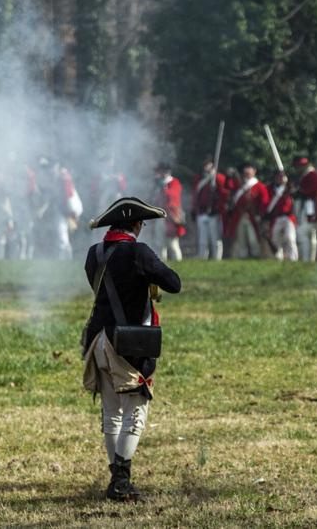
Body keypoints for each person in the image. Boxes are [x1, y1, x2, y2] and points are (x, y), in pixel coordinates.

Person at [82, 197, 182, 501]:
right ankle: (121, 481)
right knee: (135, 411)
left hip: (97, 339)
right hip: (125, 342)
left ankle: (116, 478)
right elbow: (173, 283)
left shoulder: (94, 253)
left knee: (112, 412)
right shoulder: (137, 251)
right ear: (137, 225)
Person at [226, 164, 270, 259]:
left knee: (253, 239)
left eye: (249, 168)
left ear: (254, 171)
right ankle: (243, 257)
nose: (247, 171)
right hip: (240, 216)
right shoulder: (239, 185)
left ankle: (256, 257)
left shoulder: (260, 186)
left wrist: (260, 215)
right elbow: (228, 189)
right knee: (241, 239)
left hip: (253, 217)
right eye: (245, 169)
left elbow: (264, 202)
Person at [191, 157, 227, 260]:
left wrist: (218, 207)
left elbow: (224, 194)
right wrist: (194, 209)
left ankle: (217, 258)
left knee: (215, 239)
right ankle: (202, 257)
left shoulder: (219, 178)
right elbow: (195, 194)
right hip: (201, 212)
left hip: (214, 213)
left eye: (209, 165)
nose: (206, 167)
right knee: (203, 239)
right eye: (205, 165)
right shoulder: (199, 179)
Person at [293, 157, 317, 261]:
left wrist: (298, 191)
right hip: (307, 207)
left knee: (304, 233)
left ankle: (308, 259)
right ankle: (309, 259)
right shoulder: (306, 175)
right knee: (309, 234)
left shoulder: (312, 175)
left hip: (310, 207)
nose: (299, 168)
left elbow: (310, 192)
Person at [154, 163, 186, 261]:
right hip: (160, 215)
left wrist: (163, 188)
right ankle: (162, 263)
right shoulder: (159, 183)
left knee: (172, 244)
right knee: (160, 244)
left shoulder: (174, 182)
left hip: (170, 217)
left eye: (160, 171)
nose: (158, 173)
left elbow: (173, 197)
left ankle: (179, 263)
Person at [264, 170, 298, 261]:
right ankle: (277, 258)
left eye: (281, 177)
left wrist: (288, 185)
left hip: (288, 217)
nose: (280, 179)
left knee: (290, 238)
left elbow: (295, 192)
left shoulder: (288, 187)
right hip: (275, 217)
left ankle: (293, 258)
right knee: (275, 239)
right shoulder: (269, 188)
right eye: (278, 177)